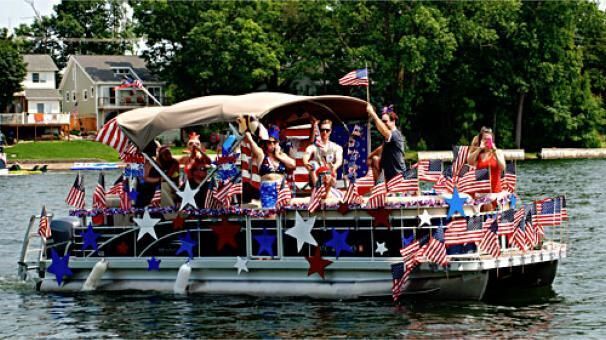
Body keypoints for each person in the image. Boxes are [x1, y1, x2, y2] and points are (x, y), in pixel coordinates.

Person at [244, 124, 296, 209]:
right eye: (269, 142)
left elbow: (293, 165)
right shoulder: (261, 155)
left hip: (282, 189)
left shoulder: (282, 155)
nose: (272, 144)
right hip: (268, 188)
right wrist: (248, 134)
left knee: (284, 214)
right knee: (270, 214)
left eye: (274, 142)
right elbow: (253, 145)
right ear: (266, 143)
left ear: (277, 143)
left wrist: (278, 156)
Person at [367, 104, 406, 182]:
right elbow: (382, 147)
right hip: (389, 177)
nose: (383, 124)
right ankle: (378, 186)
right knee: (375, 159)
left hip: (398, 177)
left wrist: (372, 113)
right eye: (382, 121)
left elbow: (383, 130)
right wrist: (369, 156)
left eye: (385, 121)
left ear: (393, 121)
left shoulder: (395, 135)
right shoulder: (389, 137)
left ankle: (379, 187)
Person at [302, 119, 343, 187]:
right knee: (313, 163)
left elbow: (339, 160)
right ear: (319, 131)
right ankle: (317, 188)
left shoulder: (336, 147)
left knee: (329, 169)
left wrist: (334, 166)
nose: (324, 132)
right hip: (317, 175)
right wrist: (306, 163)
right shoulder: (313, 147)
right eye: (322, 130)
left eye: (327, 130)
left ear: (330, 131)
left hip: (330, 174)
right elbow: (306, 154)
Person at [467, 126, 506, 193]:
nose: (487, 141)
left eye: (489, 139)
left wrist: (495, 151)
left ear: (492, 140)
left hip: (495, 192)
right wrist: (479, 148)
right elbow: (469, 162)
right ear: (481, 140)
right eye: (484, 139)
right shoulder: (478, 154)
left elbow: (502, 168)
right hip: (481, 192)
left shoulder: (498, 152)